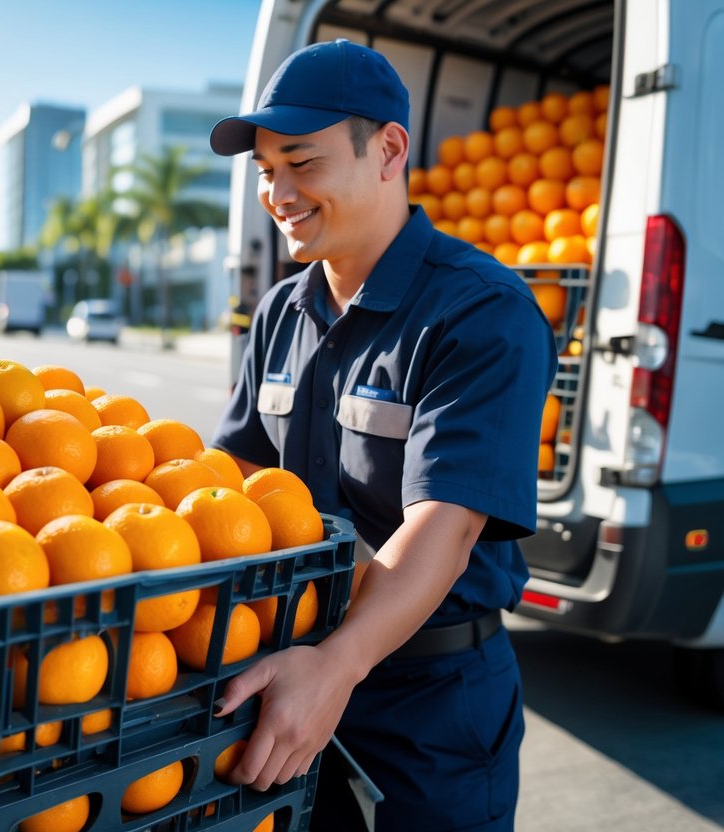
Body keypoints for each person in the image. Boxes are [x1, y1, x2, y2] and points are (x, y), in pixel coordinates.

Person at [207, 40, 557, 830]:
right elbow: (227, 485)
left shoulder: (480, 310)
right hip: (282, 682)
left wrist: (337, 665)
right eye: (266, 171)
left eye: (302, 162)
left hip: (428, 712)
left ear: (388, 150)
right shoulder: (280, 311)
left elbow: (446, 523)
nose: (278, 191)